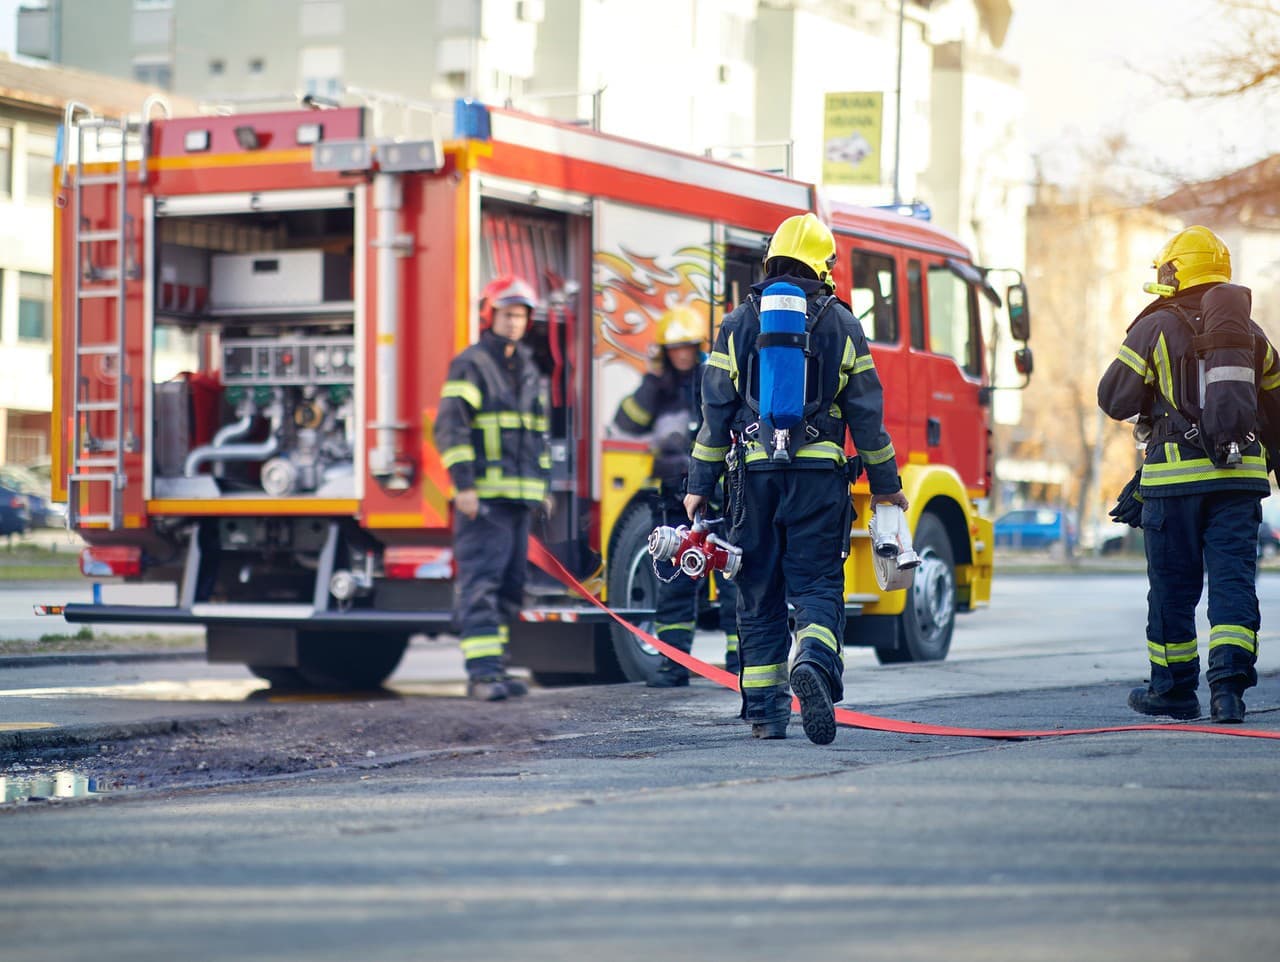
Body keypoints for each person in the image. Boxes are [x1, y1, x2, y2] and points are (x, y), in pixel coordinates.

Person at [684, 212, 908, 744]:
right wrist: (886, 484)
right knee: (817, 584)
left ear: (771, 259)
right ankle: (813, 659)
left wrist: (698, 485)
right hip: (819, 479)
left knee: (758, 588)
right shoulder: (842, 323)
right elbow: (867, 416)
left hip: (752, 480)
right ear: (822, 267)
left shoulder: (738, 322)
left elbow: (715, 412)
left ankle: (766, 712)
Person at [1098, 225, 1280, 724]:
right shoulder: (1252, 335)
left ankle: (1174, 690)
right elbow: (1276, 408)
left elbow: (1114, 399)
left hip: (1174, 486)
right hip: (1239, 483)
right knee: (1233, 584)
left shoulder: (1155, 327)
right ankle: (1229, 693)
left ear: (1177, 272)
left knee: (1174, 590)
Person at [434, 275, 551, 701]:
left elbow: (537, 434)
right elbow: (451, 427)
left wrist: (542, 488)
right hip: (483, 499)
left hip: (519, 499)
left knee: (509, 586)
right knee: (480, 584)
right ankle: (482, 675)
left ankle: (497, 669)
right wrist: (464, 486)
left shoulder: (528, 367)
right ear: (489, 315)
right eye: (507, 314)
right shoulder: (472, 363)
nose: (514, 322)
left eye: (520, 315)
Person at [611, 304, 741, 688]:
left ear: (697, 346)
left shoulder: (713, 378)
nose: (681, 354)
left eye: (687, 346)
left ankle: (740, 663)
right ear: (665, 351)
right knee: (674, 580)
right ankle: (673, 664)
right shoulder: (659, 388)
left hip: (719, 495)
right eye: (674, 348)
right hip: (673, 497)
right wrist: (652, 382)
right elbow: (626, 422)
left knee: (733, 579)